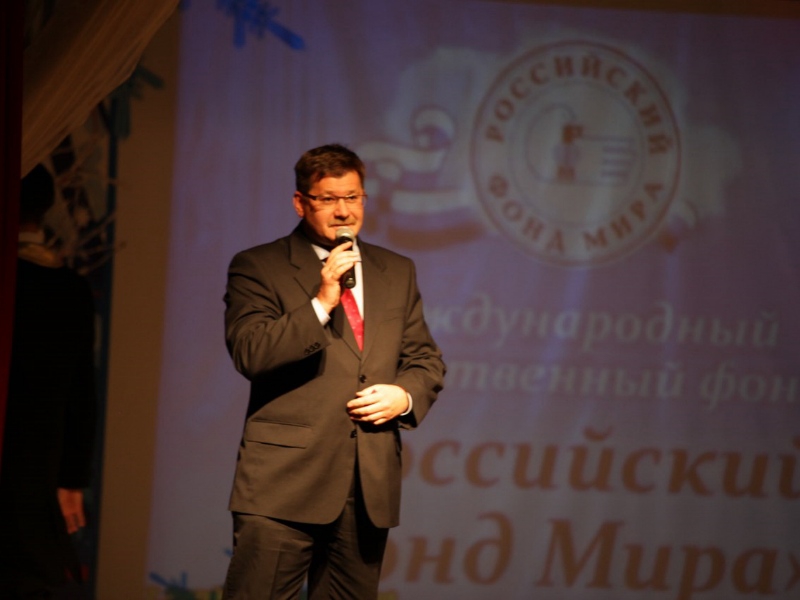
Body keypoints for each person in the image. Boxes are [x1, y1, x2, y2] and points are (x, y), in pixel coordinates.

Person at [222, 144, 446, 599]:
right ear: (300, 202)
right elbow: (250, 353)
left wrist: (403, 396)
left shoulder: (396, 270)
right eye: (328, 199)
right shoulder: (259, 266)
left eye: (353, 197)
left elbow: (424, 359)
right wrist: (322, 302)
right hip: (283, 482)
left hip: (366, 486)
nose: (343, 211)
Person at [0, 164, 97, 598]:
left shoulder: (56, 285)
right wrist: (71, 477)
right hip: (36, 464)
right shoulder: (67, 288)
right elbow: (82, 394)